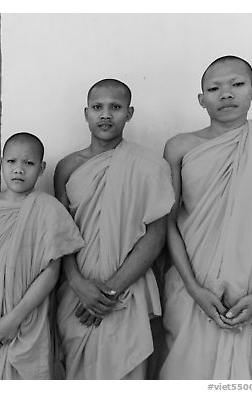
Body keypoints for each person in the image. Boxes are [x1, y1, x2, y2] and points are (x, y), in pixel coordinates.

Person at [54, 79, 175, 379]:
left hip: (127, 291)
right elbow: (60, 233)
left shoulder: (149, 165)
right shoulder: (68, 167)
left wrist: (111, 290)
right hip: (77, 291)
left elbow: (156, 234)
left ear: (129, 113)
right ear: (86, 113)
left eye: (115, 107)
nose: (105, 115)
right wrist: (79, 284)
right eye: (98, 107)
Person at [160, 56, 252, 379]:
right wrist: (194, 289)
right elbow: (167, 221)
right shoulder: (179, 146)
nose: (226, 94)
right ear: (201, 99)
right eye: (214, 88)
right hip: (191, 285)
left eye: (237, 85)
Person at [0, 133, 85, 379]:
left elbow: (51, 272)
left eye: (28, 164)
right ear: (2, 163)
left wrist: (14, 319)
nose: (18, 170)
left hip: (28, 320)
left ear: (41, 168)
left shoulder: (49, 208)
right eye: (11, 162)